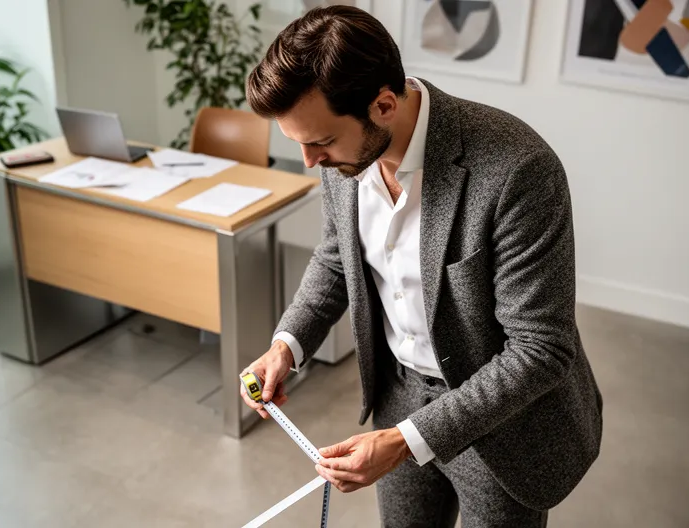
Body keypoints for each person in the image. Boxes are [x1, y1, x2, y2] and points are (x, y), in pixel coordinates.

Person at [238, 5, 603, 528]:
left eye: (319, 143)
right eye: (299, 143)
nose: (310, 162)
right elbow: (338, 257)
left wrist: (406, 440)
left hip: (503, 422)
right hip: (397, 395)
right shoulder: (344, 153)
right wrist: (286, 345)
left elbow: (540, 349)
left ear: (384, 105)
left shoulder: (519, 169)